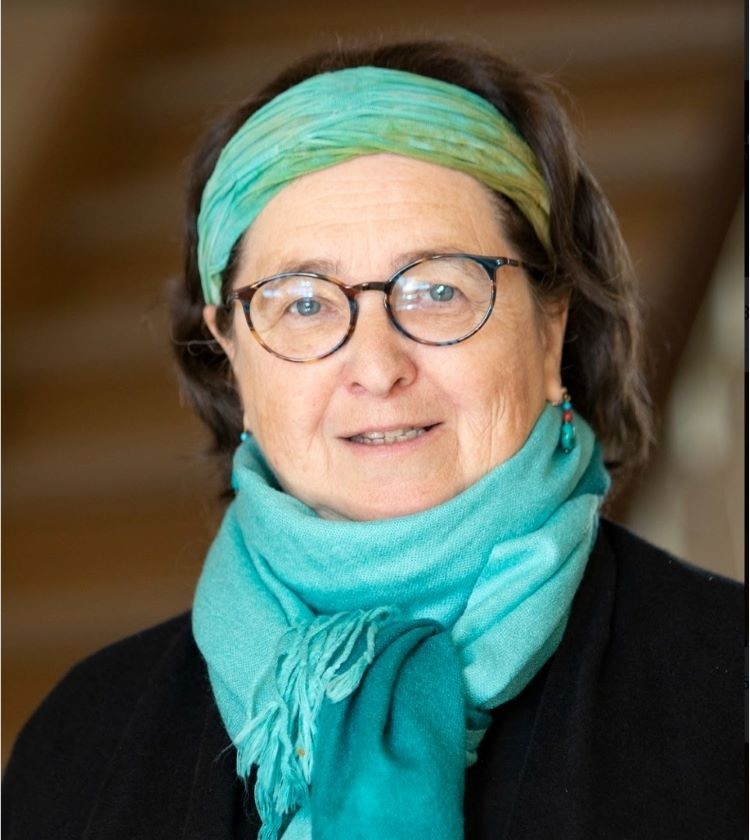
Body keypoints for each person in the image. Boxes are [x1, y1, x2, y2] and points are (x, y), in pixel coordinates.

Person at [3, 40, 743, 840]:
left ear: (549, 330)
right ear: (232, 356)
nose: (378, 368)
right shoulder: (81, 744)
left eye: (437, 290)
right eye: (305, 303)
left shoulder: (728, 683)